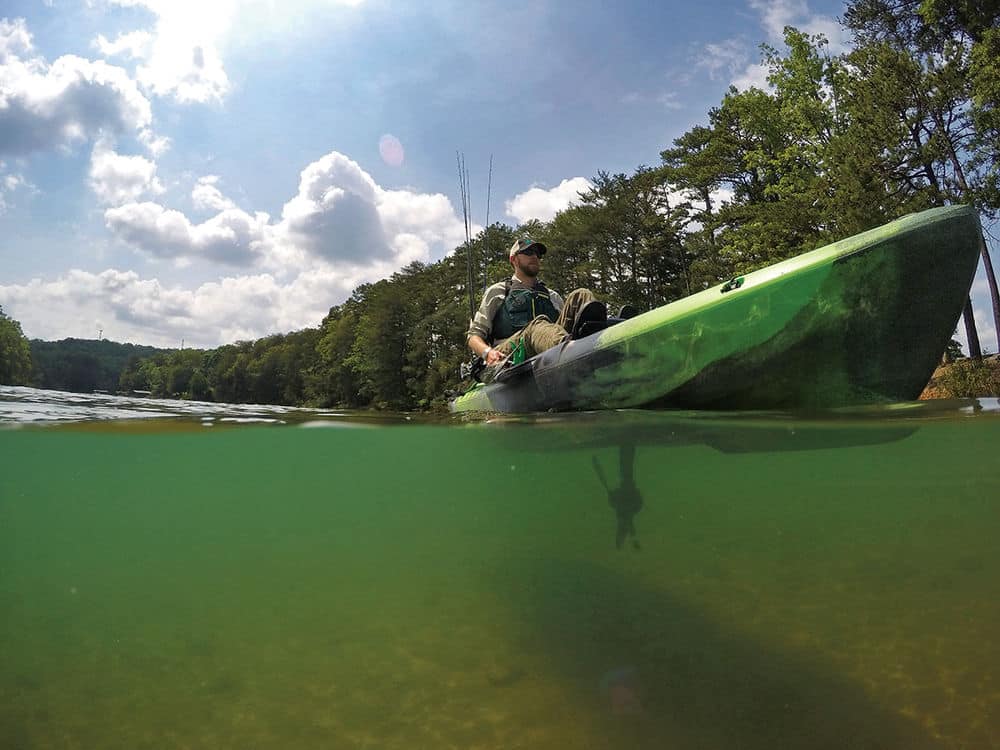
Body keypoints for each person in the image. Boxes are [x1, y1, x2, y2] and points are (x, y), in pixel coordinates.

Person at [466, 237, 604, 370]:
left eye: (538, 254)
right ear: (513, 259)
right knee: (537, 325)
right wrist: (487, 353)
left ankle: (601, 341)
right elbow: (473, 336)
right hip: (511, 351)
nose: (534, 257)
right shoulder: (499, 291)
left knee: (581, 294)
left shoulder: (552, 296)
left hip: (550, 345)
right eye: (528, 252)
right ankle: (572, 352)